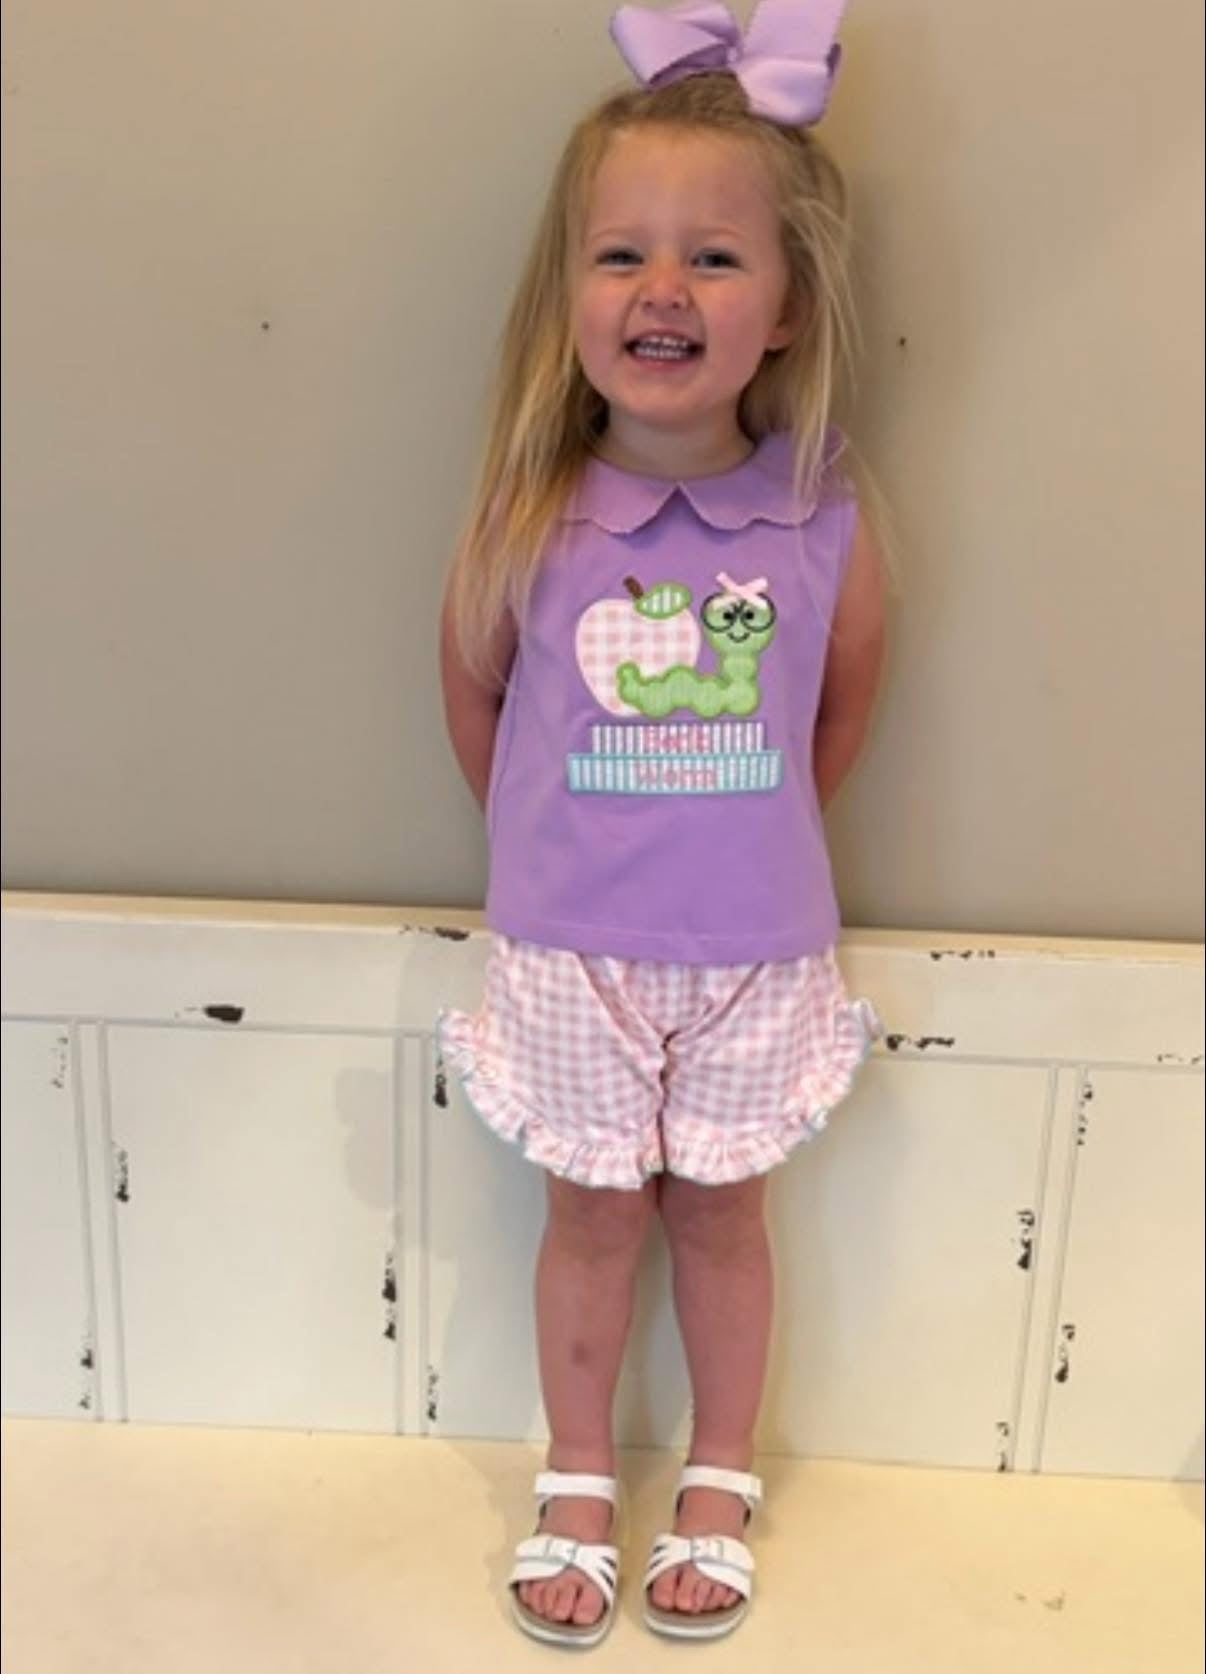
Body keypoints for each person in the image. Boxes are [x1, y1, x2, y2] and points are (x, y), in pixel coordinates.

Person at [437, 0, 887, 1648]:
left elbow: (834, 715)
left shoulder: (820, 516)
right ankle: (574, 1473)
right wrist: (563, 857)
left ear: (785, 307)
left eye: (712, 258)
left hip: (754, 952)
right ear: (568, 294)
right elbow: (477, 701)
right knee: (589, 1216)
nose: (662, 291)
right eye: (621, 255)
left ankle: (717, 1472)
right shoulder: (529, 514)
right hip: (568, 949)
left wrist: (731, 846)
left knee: (720, 1214)